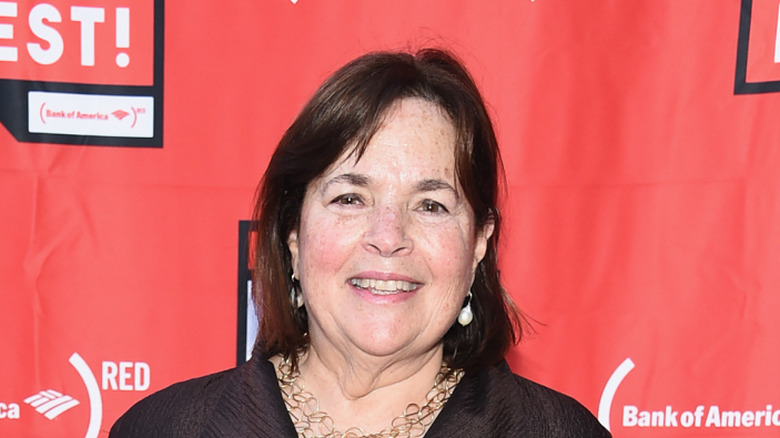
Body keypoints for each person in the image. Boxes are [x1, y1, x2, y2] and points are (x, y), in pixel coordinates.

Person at [110, 48, 611, 437]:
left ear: (480, 242)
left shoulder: (557, 432)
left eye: (431, 205)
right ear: (292, 236)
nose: (388, 237)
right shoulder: (164, 429)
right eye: (351, 199)